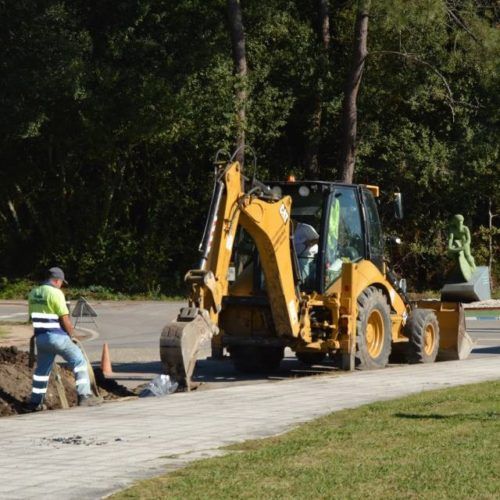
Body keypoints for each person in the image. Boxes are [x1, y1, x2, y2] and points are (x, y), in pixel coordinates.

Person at [27, 267, 102, 411]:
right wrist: (72, 335)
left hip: (41, 338)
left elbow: (32, 317)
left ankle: (35, 402)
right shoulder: (56, 293)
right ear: (56, 280)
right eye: (61, 282)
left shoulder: (33, 293)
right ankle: (84, 396)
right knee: (79, 361)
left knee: (42, 371)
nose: (61, 285)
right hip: (57, 337)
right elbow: (64, 318)